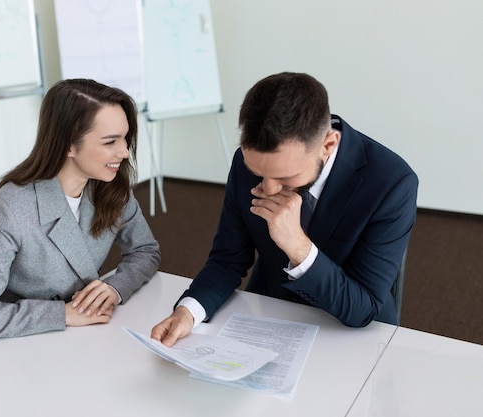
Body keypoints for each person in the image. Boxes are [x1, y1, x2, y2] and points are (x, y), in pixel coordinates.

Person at [151, 72, 418, 346]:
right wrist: (188, 312)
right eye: (257, 172)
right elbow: (227, 260)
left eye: (285, 177)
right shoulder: (248, 164)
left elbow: (364, 308)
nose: (267, 188)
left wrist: (298, 246)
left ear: (328, 145)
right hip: (272, 314)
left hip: (354, 335)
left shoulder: (392, 183)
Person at [0, 79, 160, 348]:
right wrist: (62, 314)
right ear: (68, 145)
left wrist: (115, 287)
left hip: (78, 337)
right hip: (14, 345)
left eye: (125, 138)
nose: (123, 152)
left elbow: (146, 250)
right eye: (110, 142)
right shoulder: (11, 209)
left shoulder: (113, 188)